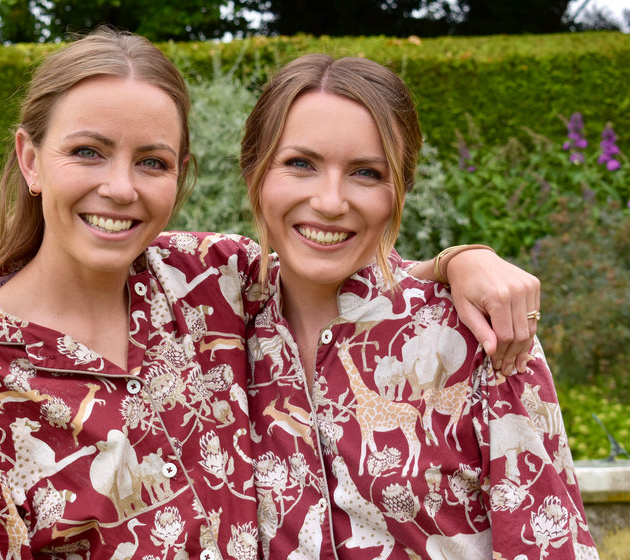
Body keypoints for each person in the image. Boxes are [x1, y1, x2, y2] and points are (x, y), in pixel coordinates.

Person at [0, 28, 545, 559]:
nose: (122, 188)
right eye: (88, 152)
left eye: (152, 162)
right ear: (30, 159)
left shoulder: (206, 281)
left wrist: (464, 261)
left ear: (180, 176)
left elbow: (343, 262)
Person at [241, 54, 598, 559]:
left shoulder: (477, 334)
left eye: (366, 173)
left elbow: (548, 540)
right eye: (300, 164)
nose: (330, 201)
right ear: (253, 169)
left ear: (400, 190)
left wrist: (463, 260)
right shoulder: (214, 321)